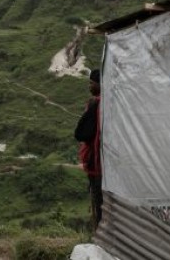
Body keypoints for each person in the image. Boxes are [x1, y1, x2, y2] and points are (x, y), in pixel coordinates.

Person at [74, 68, 103, 228]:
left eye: (92, 83)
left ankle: (99, 233)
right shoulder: (109, 102)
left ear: (100, 84)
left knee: (99, 203)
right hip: (103, 163)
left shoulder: (95, 104)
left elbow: (81, 134)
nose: (89, 86)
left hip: (96, 163)